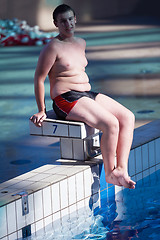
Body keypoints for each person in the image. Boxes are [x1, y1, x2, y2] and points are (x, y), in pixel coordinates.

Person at [30, 4, 136, 189]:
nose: (68, 24)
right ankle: (111, 173)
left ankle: (122, 169)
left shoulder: (81, 43)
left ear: (75, 19)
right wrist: (41, 109)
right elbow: (39, 78)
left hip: (86, 93)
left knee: (128, 117)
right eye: (63, 21)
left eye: (70, 19)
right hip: (65, 99)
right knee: (110, 123)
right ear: (56, 23)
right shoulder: (53, 47)